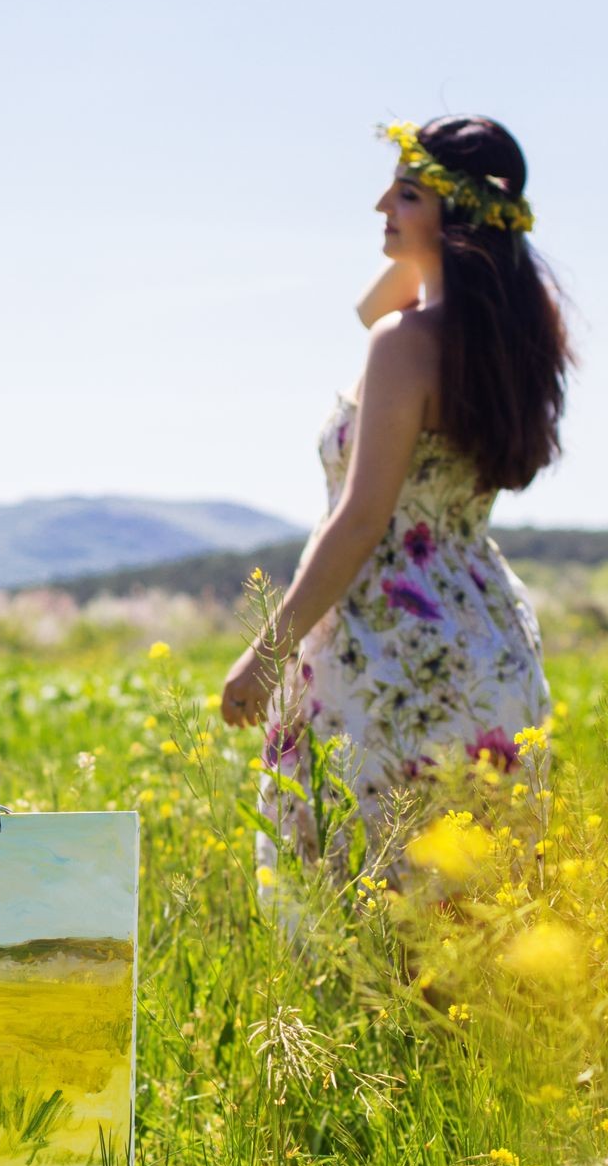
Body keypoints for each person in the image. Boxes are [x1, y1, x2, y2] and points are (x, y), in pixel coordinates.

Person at [220, 115, 576, 883]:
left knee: (370, 906)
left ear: (457, 217)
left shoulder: (405, 344)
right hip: (488, 646)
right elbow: (369, 308)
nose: (381, 204)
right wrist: (427, 234)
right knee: (467, 921)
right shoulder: (507, 340)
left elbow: (360, 520)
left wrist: (266, 652)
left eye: (406, 193)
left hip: (390, 650)